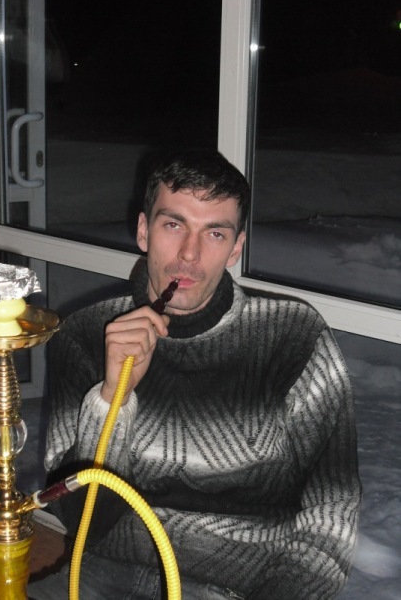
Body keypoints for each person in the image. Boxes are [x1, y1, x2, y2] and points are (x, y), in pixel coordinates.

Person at [28, 149, 362, 600]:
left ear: (235, 248)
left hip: (242, 587)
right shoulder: (88, 334)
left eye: (214, 233)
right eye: (173, 225)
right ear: (143, 230)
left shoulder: (294, 337)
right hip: (105, 573)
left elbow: (331, 518)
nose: (189, 254)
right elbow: (81, 518)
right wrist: (111, 399)